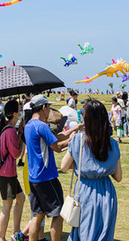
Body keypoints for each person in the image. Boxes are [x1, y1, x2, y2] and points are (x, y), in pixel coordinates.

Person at [60, 99, 122, 241]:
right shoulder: (112, 144)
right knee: (104, 234)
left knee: (84, 233)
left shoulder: (78, 140)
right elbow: (118, 177)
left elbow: (63, 167)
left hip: (85, 191)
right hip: (107, 193)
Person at [25, 95, 82, 241]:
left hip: (34, 178)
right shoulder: (42, 126)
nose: (49, 110)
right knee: (57, 214)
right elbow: (57, 147)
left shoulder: (29, 125)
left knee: (38, 215)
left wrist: (73, 129)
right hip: (47, 177)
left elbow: (54, 137)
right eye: (49, 107)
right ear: (43, 107)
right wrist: (72, 140)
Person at [0, 99, 26, 241]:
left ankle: (16, 231)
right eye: (19, 109)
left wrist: (19, 132)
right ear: (14, 113)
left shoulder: (8, 128)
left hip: (8, 172)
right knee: (7, 205)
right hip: (7, 173)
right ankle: (1, 237)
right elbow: (16, 154)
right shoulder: (10, 131)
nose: (21, 112)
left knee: (21, 198)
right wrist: (20, 135)